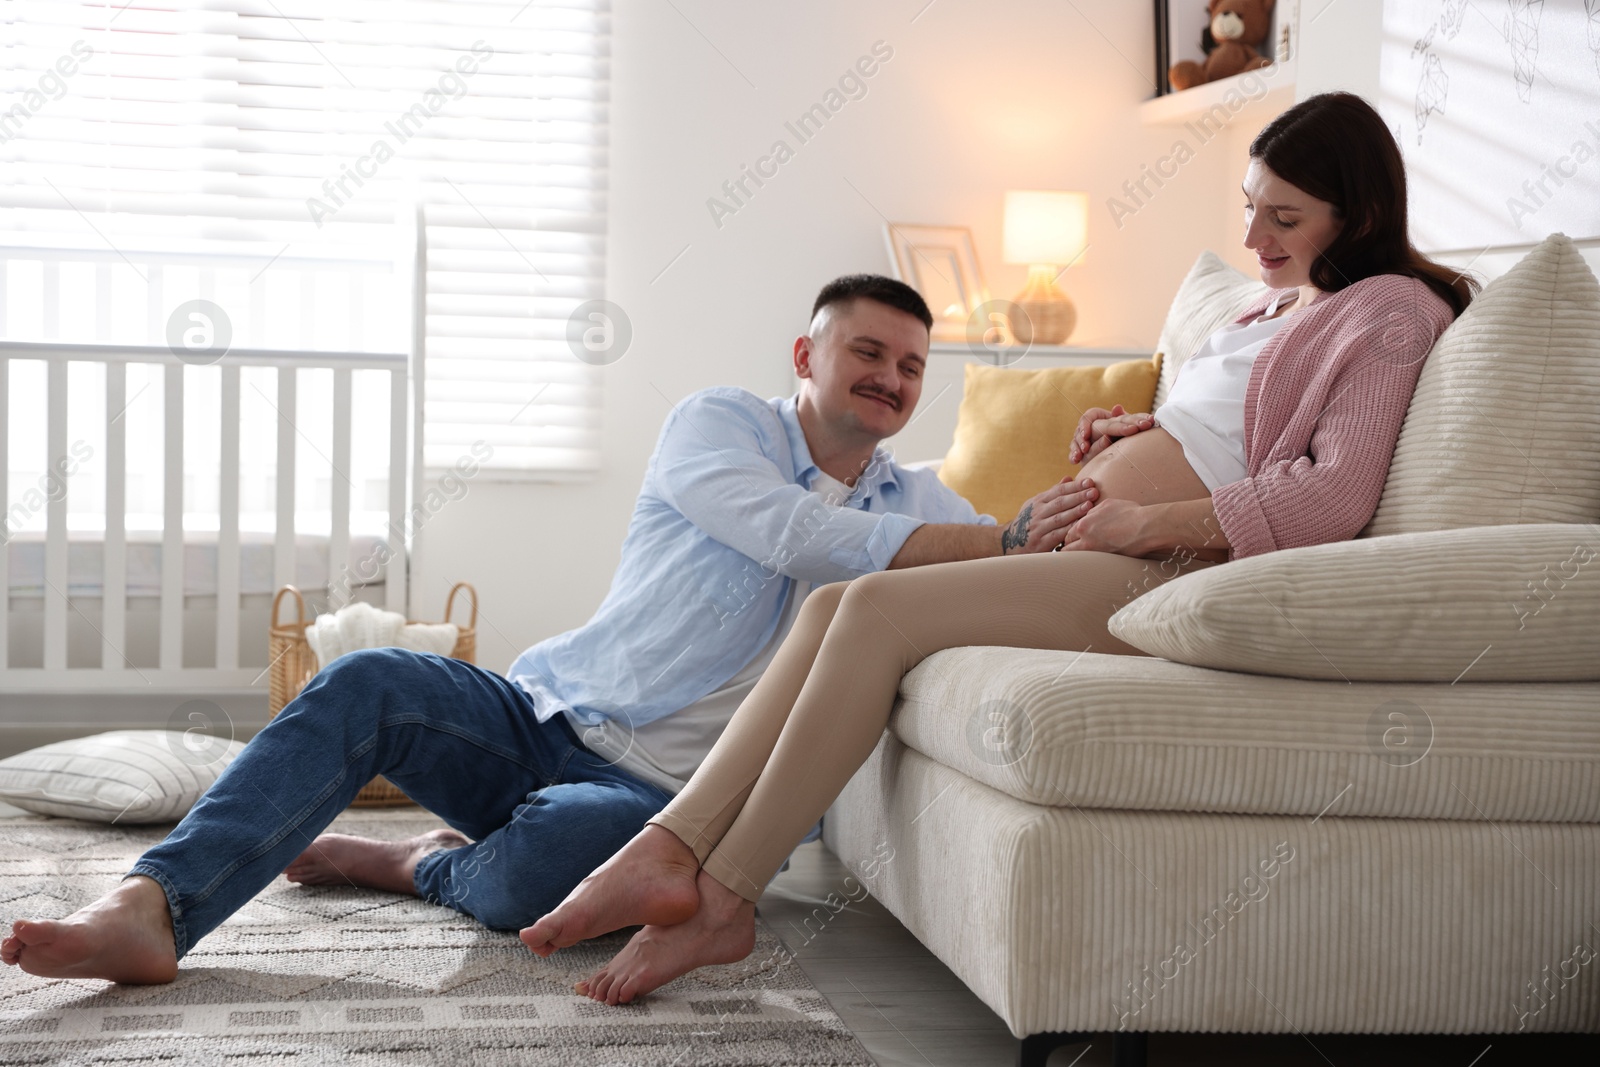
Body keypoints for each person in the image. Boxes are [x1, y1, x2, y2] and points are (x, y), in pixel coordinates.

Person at [519, 90, 1483, 1006]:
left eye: (1284, 216)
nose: (1252, 238)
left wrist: (1143, 516)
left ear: (1355, 215)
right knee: (827, 604)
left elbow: (1331, 492)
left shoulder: (1391, 309)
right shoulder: (1268, 304)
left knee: (874, 607)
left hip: (1165, 570)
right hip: (1110, 544)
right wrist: (1132, 433)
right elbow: (1234, 428)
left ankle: (722, 896)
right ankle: (669, 844)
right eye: (1248, 207)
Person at [0, 275, 1102, 985]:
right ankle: (153, 904)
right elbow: (795, 536)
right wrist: (998, 540)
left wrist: (1096, 472)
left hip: (664, 807)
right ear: (806, 357)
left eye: (912, 366)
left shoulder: (922, 506)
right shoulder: (719, 423)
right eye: (867, 351)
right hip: (543, 714)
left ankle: (418, 866)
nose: (891, 378)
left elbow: (1030, 548)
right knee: (373, 676)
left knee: (564, 859)